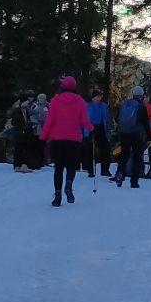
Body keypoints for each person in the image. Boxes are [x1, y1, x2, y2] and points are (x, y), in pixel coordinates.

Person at [39, 76, 93, 206]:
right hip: (74, 138)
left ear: (63, 86)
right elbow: (85, 119)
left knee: (58, 168)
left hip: (57, 138)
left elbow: (50, 120)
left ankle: (57, 196)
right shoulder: (80, 101)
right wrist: (92, 129)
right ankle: (68, 185)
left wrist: (43, 136)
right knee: (71, 166)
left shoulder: (55, 100)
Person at [114, 86, 149, 188]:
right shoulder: (141, 106)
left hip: (124, 133)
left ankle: (120, 172)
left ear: (133, 94)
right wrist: (149, 137)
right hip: (136, 135)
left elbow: (116, 118)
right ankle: (134, 181)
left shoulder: (124, 104)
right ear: (142, 95)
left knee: (124, 154)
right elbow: (146, 123)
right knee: (137, 157)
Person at [87, 89, 112, 177]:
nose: (99, 98)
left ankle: (105, 169)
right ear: (93, 97)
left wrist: (108, 130)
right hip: (90, 128)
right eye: (97, 96)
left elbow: (107, 119)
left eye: (100, 96)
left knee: (105, 149)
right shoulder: (88, 106)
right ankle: (90, 170)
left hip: (101, 128)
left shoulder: (104, 106)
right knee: (89, 149)